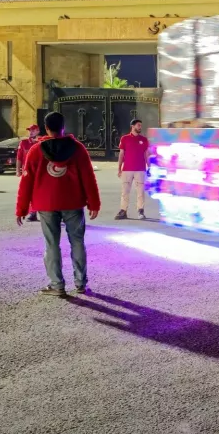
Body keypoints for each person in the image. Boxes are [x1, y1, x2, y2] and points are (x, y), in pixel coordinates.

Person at [16, 111, 101, 297]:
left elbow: (26, 181)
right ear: (64, 126)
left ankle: (57, 285)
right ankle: (80, 283)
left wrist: (21, 208)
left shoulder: (36, 151)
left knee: (52, 244)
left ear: (46, 128)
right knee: (77, 242)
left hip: (46, 205)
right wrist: (94, 203)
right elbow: (88, 177)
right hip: (73, 202)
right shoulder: (78, 149)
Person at [115, 118, 149, 220]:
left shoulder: (144, 140)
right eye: (138, 125)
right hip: (127, 169)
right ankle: (123, 211)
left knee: (140, 191)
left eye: (140, 125)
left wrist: (149, 167)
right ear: (132, 126)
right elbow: (121, 154)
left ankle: (140, 211)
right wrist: (119, 168)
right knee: (125, 191)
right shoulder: (124, 139)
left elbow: (146, 154)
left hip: (140, 169)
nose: (140, 127)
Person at [16, 124, 41, 222]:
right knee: (27, 192)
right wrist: (18, 170)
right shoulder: (24, 143)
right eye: (30, 130)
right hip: (26, 172)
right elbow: (19, 158)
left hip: (38, 172)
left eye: (33, 130)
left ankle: (36, 212)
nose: (31, 132)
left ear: (38, 131)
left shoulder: (40, 143)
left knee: (37, 192)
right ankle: (32, 213)